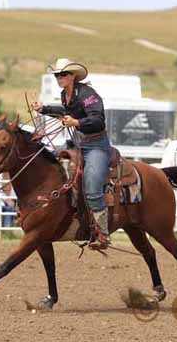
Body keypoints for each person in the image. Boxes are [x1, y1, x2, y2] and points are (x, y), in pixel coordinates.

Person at [30, 58, 111, 250]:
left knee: (92, 188)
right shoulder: (66, 94)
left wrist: (76, 123)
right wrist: (44, 109)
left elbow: (98, 119)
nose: (59, 77)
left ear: (73, 75)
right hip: (77, 144)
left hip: (96, 146)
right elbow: (65, 111)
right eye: (57, 75)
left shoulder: (87, 94)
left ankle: (102, 234)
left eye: (63, 74)